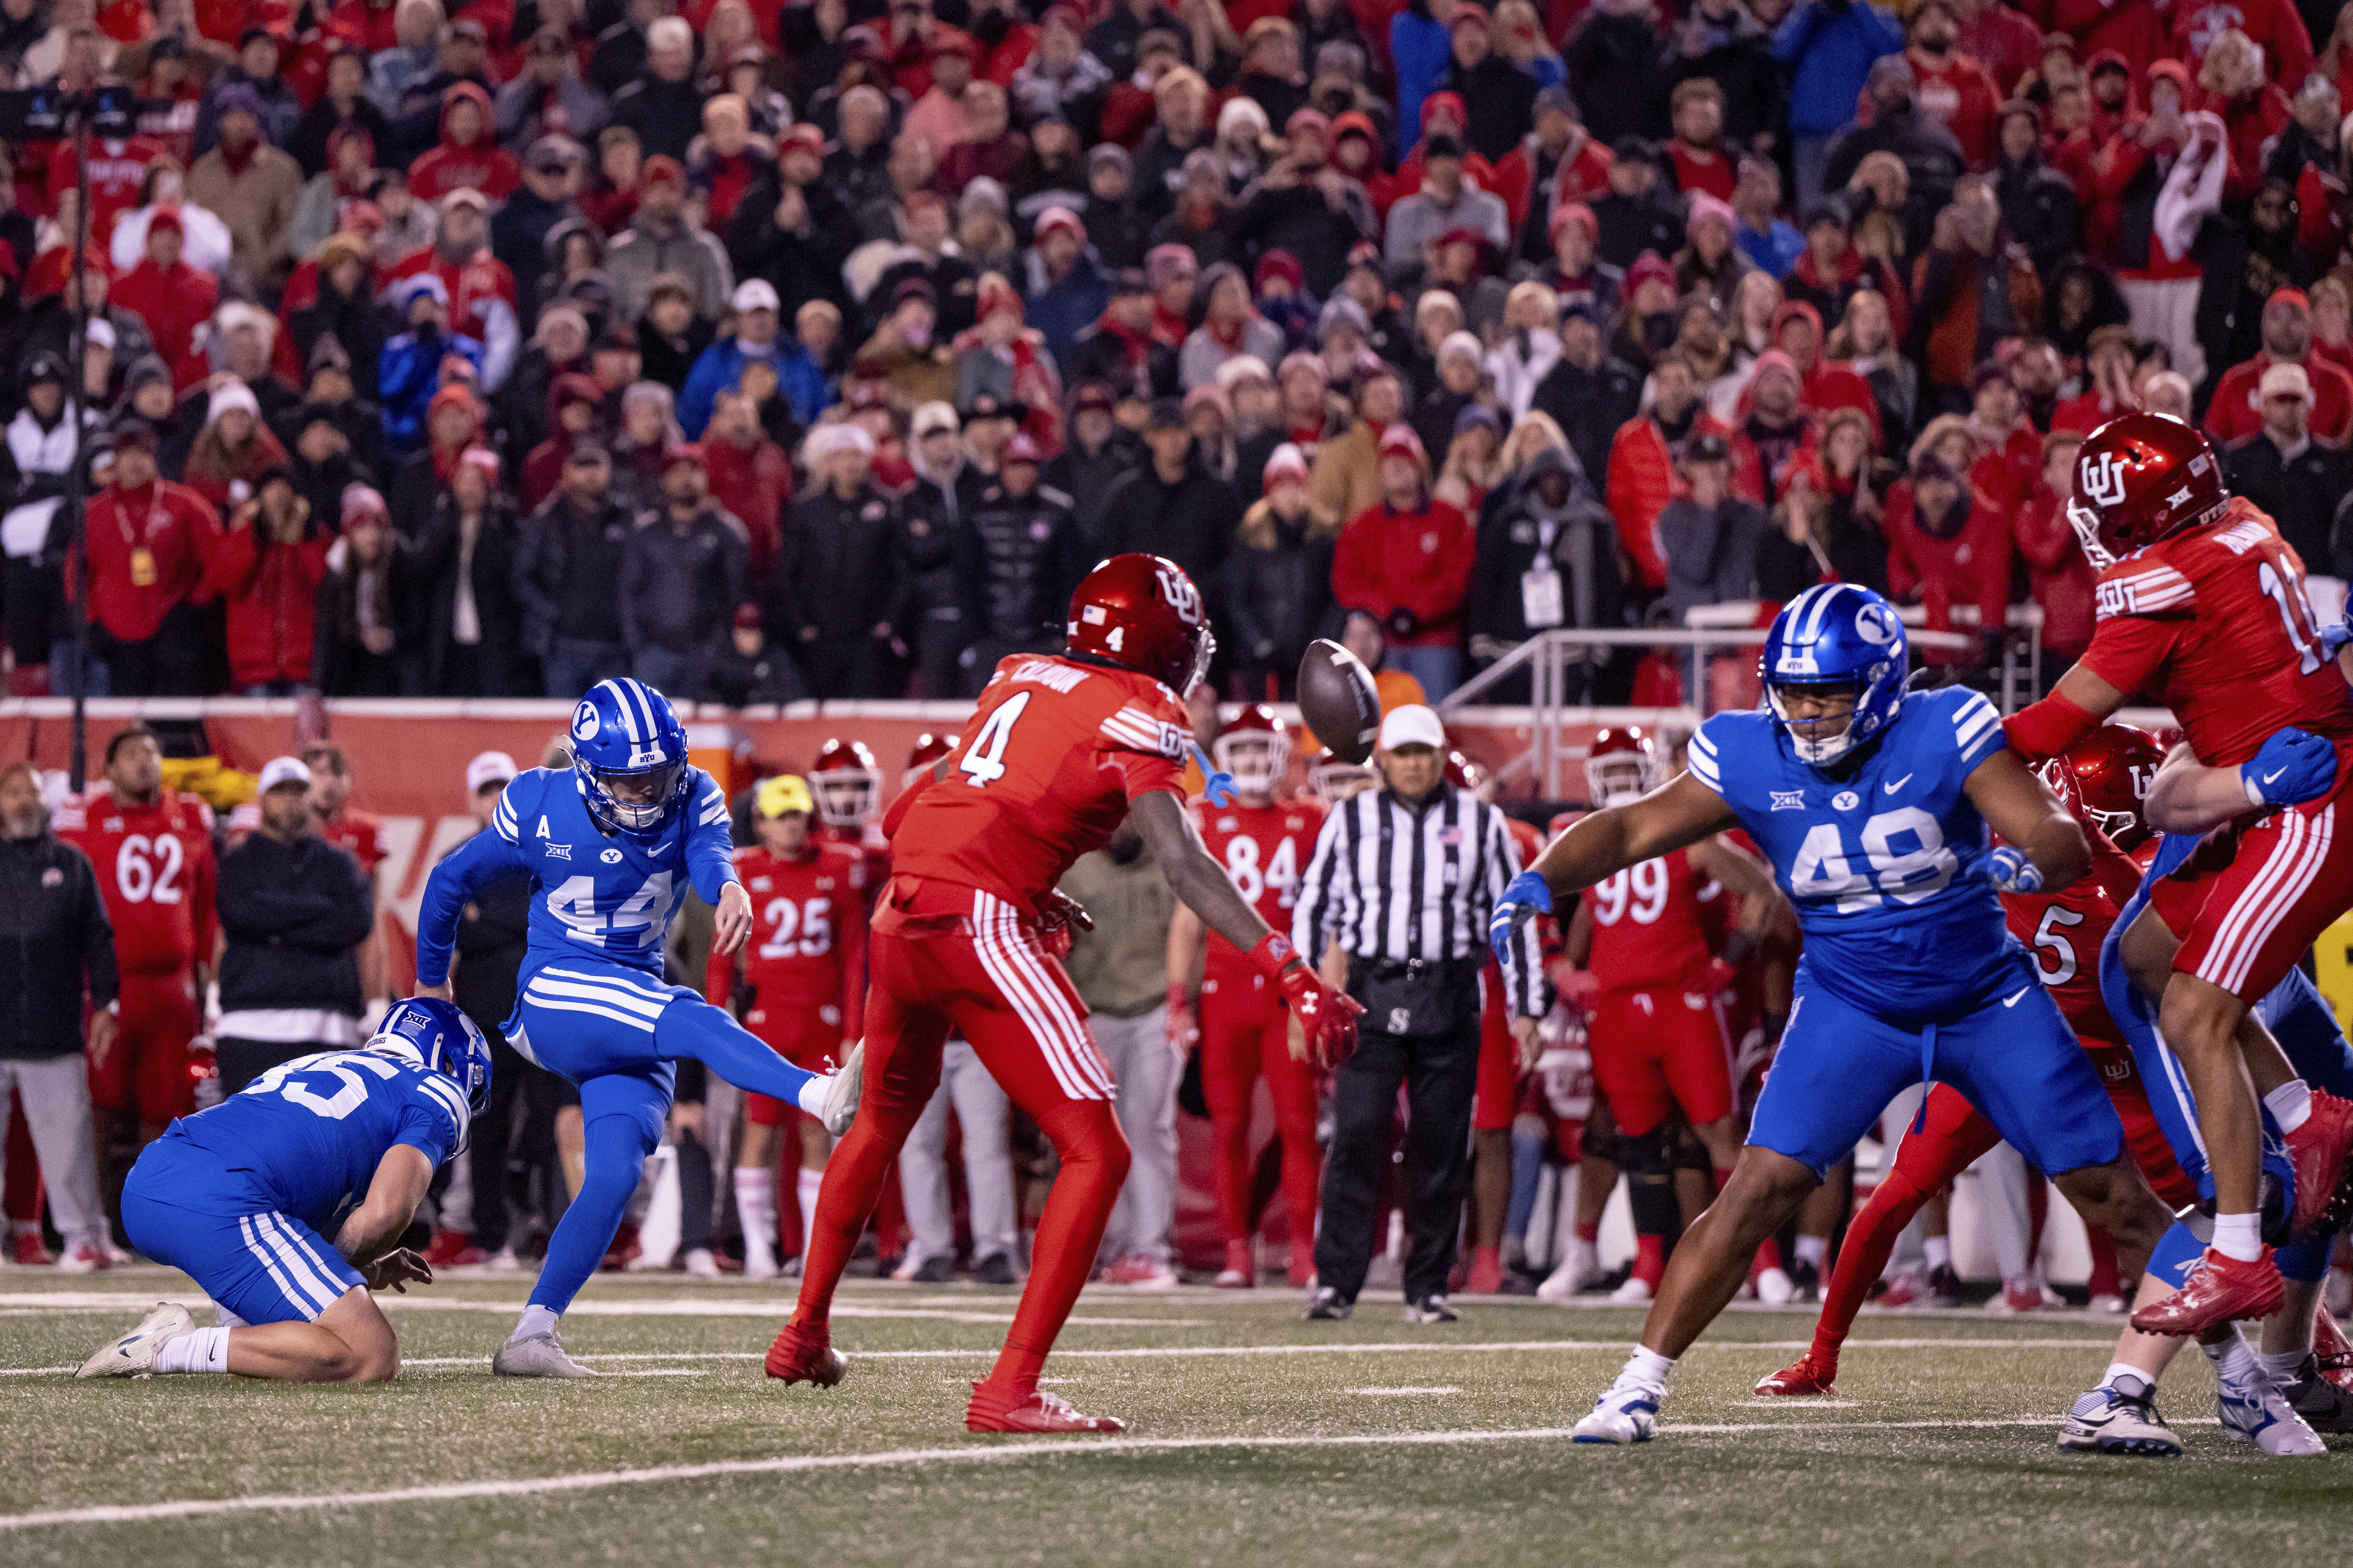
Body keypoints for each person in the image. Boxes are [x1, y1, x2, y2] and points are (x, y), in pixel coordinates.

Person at [1491, 582, 2173, 1443]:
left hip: (1984, 998)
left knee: (2112, 1192)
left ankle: (2243, 1376)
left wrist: (2032, 864)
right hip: (1853, 1004)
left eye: (1831, 694)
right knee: (1758, 1186)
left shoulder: (1943, 727)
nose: (1809, 714)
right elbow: (1629, 829)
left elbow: (2049, 829)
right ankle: (1634, 1387)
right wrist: (1539, 880)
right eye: (1795, 692)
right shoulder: (1746, 752)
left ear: (1883, 686)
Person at [768, 553, 1361, 1433]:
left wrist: (1026, 879)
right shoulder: (1144, 708)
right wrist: (1289, 970)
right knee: (1097, 1149)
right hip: (977, 922)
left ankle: (805, 1331)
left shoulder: (1019, 674)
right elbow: (1184, 861)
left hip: (905, 913)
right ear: (1161, 639)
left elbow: (914, 810)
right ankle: (1010, 1389)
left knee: (881, 1122)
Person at [2001, 413, 2353, 1336]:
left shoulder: (2166, 577)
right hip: (2271, 787)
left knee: (2196, 1011)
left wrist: (1945, 743)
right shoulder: (2238, 519)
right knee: (2147, 950)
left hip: (2311, 801)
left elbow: (2051, 724)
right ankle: (2300, 1114)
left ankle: (2237, 1255)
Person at [415, 678, 861, 1376]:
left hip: (628, 991)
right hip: (556, 992)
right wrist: (430, 983)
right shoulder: (537, 802)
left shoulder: (694, 794)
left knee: (616, 1172)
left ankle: (532, 1334)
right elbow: (448, 882)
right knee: (694, 1018)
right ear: (589, 774)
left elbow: (711, 856)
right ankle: (816, 1094)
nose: (651, 792)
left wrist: (731, 888)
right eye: (633, 781)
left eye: (661, 775)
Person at [77, 998, 490, 1384]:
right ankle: (168, 1348)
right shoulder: (436, 1092)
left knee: (285, 1338)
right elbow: (384, 1214)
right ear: (454, 1069)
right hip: (223, 1199)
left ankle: (233, 1330)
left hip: (154, 1178)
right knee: (369, 1353)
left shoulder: (323, 1061)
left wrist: (353, 1268)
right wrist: (347, 1266)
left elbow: (295, 1181)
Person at [1292, 702, 1544, 1322]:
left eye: (1423, 753)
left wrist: (1527, 1007)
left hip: (1450, 989)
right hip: (1372, 990)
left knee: (1442, 1144)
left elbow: (1514, 920)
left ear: (1440, 756)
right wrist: (1303, 993)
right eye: (1402, 753)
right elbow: (1312, 907)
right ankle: (1337, 1282)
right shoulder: (1349, 820)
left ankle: (1428, 1285)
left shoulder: (1482, 823)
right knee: (1355, 1135)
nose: (1413, 764)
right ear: (1382, 759)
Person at [1166, 706, 1325, 1287]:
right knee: (1228, 1126)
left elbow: (1330, 916)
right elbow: (1186, 920)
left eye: (1264, 750)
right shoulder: (1202, 817)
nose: (1256, 762)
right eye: (1245, 751)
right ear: (1228, 759)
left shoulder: (1310, 820)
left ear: (1281, 757)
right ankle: (1237, 1252)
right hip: (1225, 988)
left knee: (1299, 1125)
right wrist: (1177, 1001)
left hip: (1286, 990)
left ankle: (1304, 1252)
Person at [704, 774, 867, 1281]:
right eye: (780, 816)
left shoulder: (838, 868)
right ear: (760, 822)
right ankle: (758, 1247)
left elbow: (853, 955)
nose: (790, 825)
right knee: (758, 1130)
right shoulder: (745, 871)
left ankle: (811, 1247)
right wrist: (713, 1020)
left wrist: (852, 1025)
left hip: (819, 1018)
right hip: (765, 1020)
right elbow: (721, 955)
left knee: (817, 1131)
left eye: (796, 814)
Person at [55, 722, 216, 1223]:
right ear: (107, 769)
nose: (145, 761)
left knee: (167, 1112)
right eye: (131, 754)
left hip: (172, 991)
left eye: (151, 752)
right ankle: (92, 1219)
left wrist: (210, 992)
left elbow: (207, 910)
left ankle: (157, 1220)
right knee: (97, 1109)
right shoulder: (82, 819)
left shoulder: (189, 815)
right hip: (106, 987)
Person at [0, 760, 118, 1274]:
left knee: (68, 1140)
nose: (24, 800)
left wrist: (108, 1002)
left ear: (45, 802)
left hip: (52, 1024)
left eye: (31, 791)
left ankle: (83, 1236)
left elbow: (99, 935)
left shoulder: (71, 864)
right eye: (12, 791)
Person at [211, 758, 376, 1096]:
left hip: (329, 1027)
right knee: (253, 1143)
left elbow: (356, 923)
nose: (289, 800)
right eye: (279, 792)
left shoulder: (339, 863)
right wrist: (319, 911)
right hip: (249, 1028)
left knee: (326, 1146)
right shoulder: (236, 863)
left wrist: (273, 926)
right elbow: (239, 914)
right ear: (261, 799)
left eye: (298, 791)